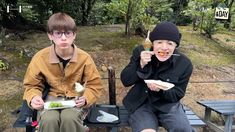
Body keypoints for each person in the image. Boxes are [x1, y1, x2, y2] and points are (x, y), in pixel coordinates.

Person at [22, 12, 103, 132]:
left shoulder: (84, 58)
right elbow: (31, 85)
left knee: (69, 118)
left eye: (68, 33)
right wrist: (33, 97)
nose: (63, 38)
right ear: (50, 35)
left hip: (75, 100)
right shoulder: (40, 58)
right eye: (58, 33)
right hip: (50, 100)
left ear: (74, 35)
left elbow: (94, 84)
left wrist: (86, 98)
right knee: (49, 120)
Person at [120, 21, 193, 132]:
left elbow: (178, 94)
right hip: (141, 103)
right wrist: (141, 65)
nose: (164, 47)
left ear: (175, 46)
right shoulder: (141, 52)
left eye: (170, 43)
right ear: (152, 43)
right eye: (159, 42)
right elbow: (125, 80)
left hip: (168, 106)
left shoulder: (184, 64)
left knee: (183, 130)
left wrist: (162, 89)